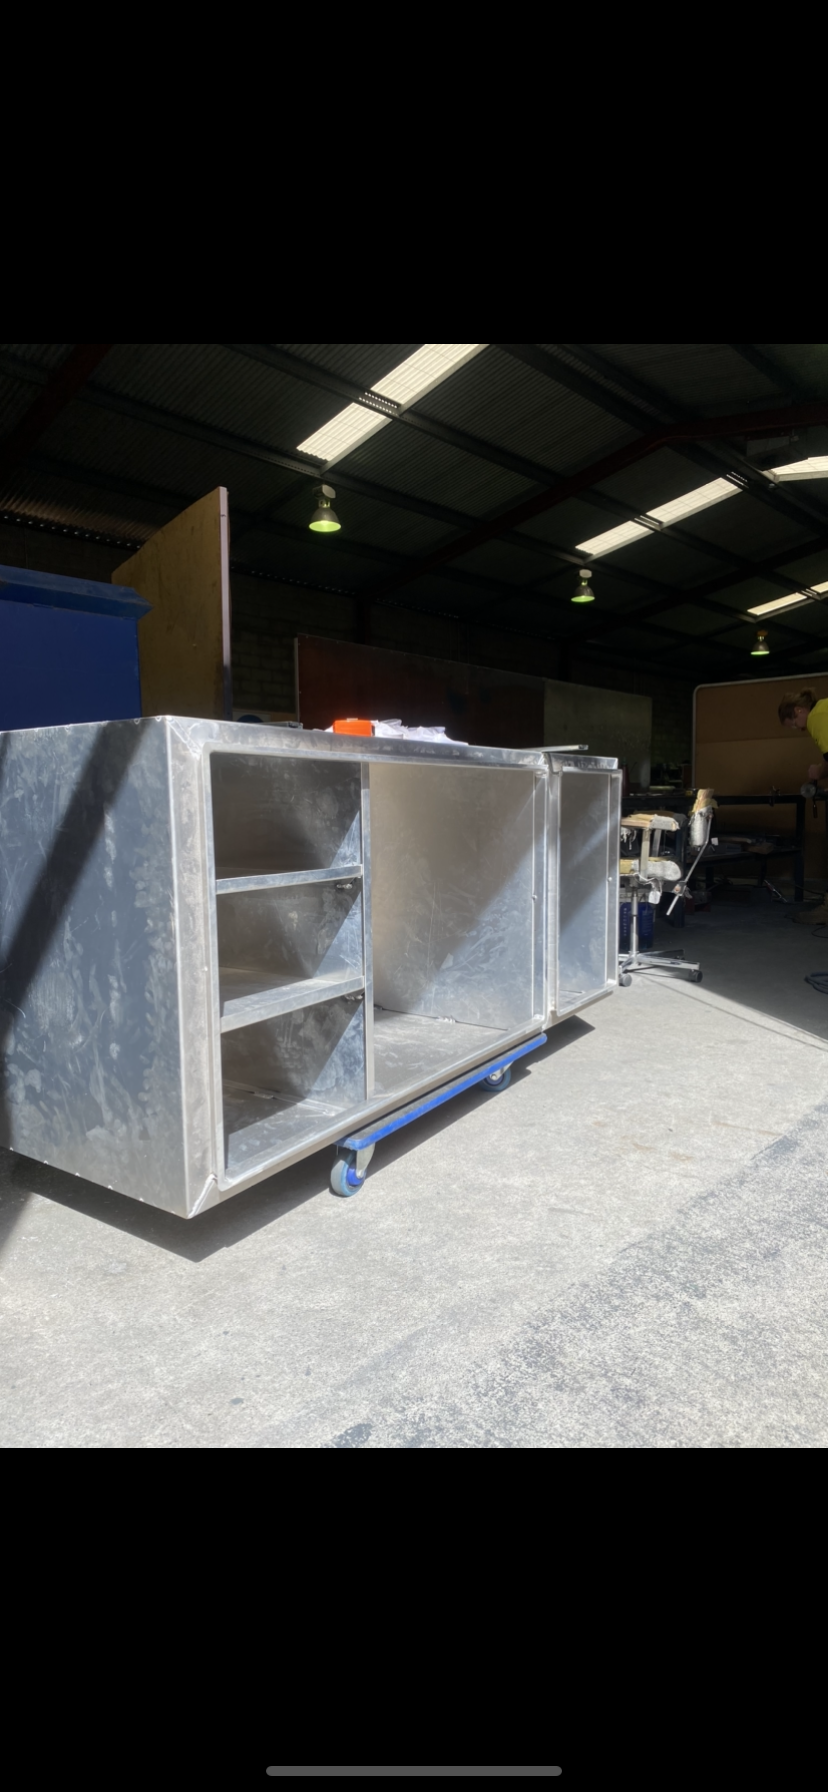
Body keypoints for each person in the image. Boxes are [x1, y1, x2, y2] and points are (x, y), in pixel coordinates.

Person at [778, 688, 828, 783]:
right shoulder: (822, 706)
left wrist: (819, 772)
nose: (800, 729)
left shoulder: (814, 719)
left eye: (795, 725)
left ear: (798, 710)